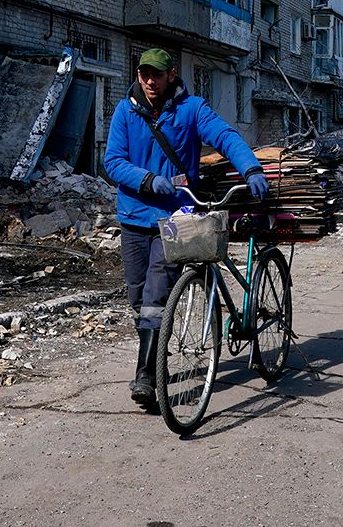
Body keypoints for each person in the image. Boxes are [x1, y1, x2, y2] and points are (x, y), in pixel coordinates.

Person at [103, 48, 268, 409]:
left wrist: (251, 168)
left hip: (176, 218)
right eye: (144, 73)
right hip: (133, 216)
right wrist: (146, 179)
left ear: (171, 75)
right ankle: (153, 358)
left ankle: (146, 377)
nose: (149, 81)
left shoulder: (191, 109)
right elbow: (113, 161)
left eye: (156, 75)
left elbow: (225, 136)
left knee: (156, 295)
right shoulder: (125, 110)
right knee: (137, 299)